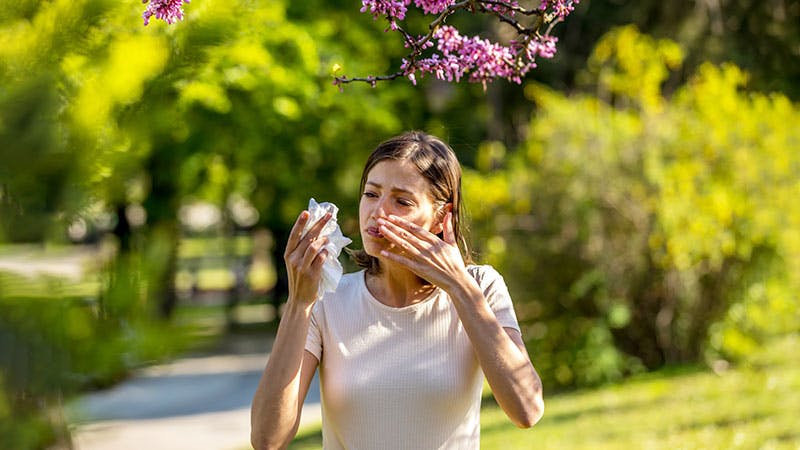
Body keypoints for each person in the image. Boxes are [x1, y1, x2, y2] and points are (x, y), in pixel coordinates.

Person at [251, 131, 544, 449]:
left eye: (401, 201)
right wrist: (298, 303)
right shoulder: (327, 300)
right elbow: (267, 439)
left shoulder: (481, 288)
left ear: (440, 217)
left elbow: (526, 410)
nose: (377, 212)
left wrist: (459, 286)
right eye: (371, 194)